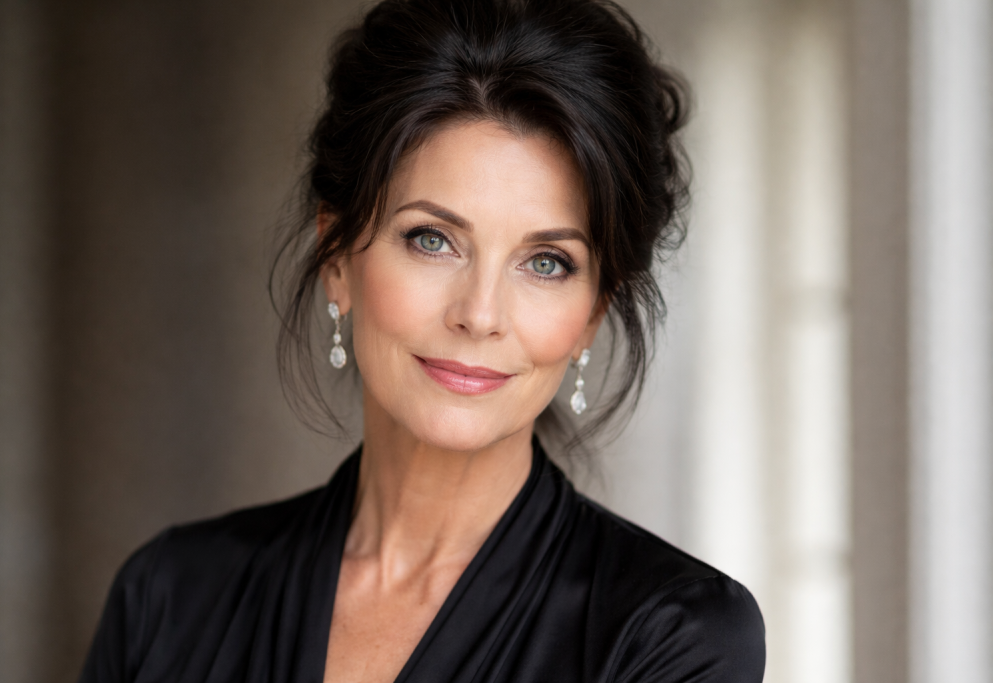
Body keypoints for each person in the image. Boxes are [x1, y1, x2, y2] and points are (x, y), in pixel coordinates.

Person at [79, 0, 766, 681]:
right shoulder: (169, 597)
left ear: (592, 313)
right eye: (432, 239)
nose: (480, 312)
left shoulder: (672, 634)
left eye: (547, 261)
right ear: (339, 256)